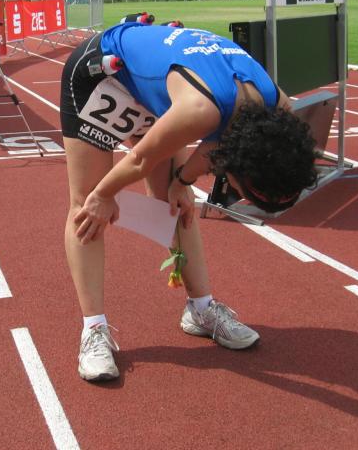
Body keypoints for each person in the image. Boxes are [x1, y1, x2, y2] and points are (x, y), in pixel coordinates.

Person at [60, 21, 318, 381]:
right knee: (87, 205)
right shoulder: (200, 109)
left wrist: (183, 182)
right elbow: (140, 160)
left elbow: (225, 137)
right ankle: (93, 330)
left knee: (174, 203)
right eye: (241, 193)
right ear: (236, 164)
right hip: (103, 77)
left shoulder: (277, 109)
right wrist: (104, 195)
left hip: (166, 91)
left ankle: (200, 309)